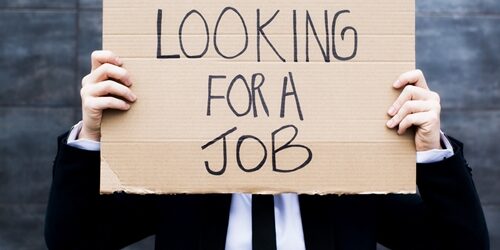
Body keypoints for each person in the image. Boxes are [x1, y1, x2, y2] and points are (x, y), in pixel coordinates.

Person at [44, 50, 489, 250]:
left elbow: (462, 246)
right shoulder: (172, 175)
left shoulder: (358, 179)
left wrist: (430, 149)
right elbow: (72, 241)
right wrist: (93, 135)